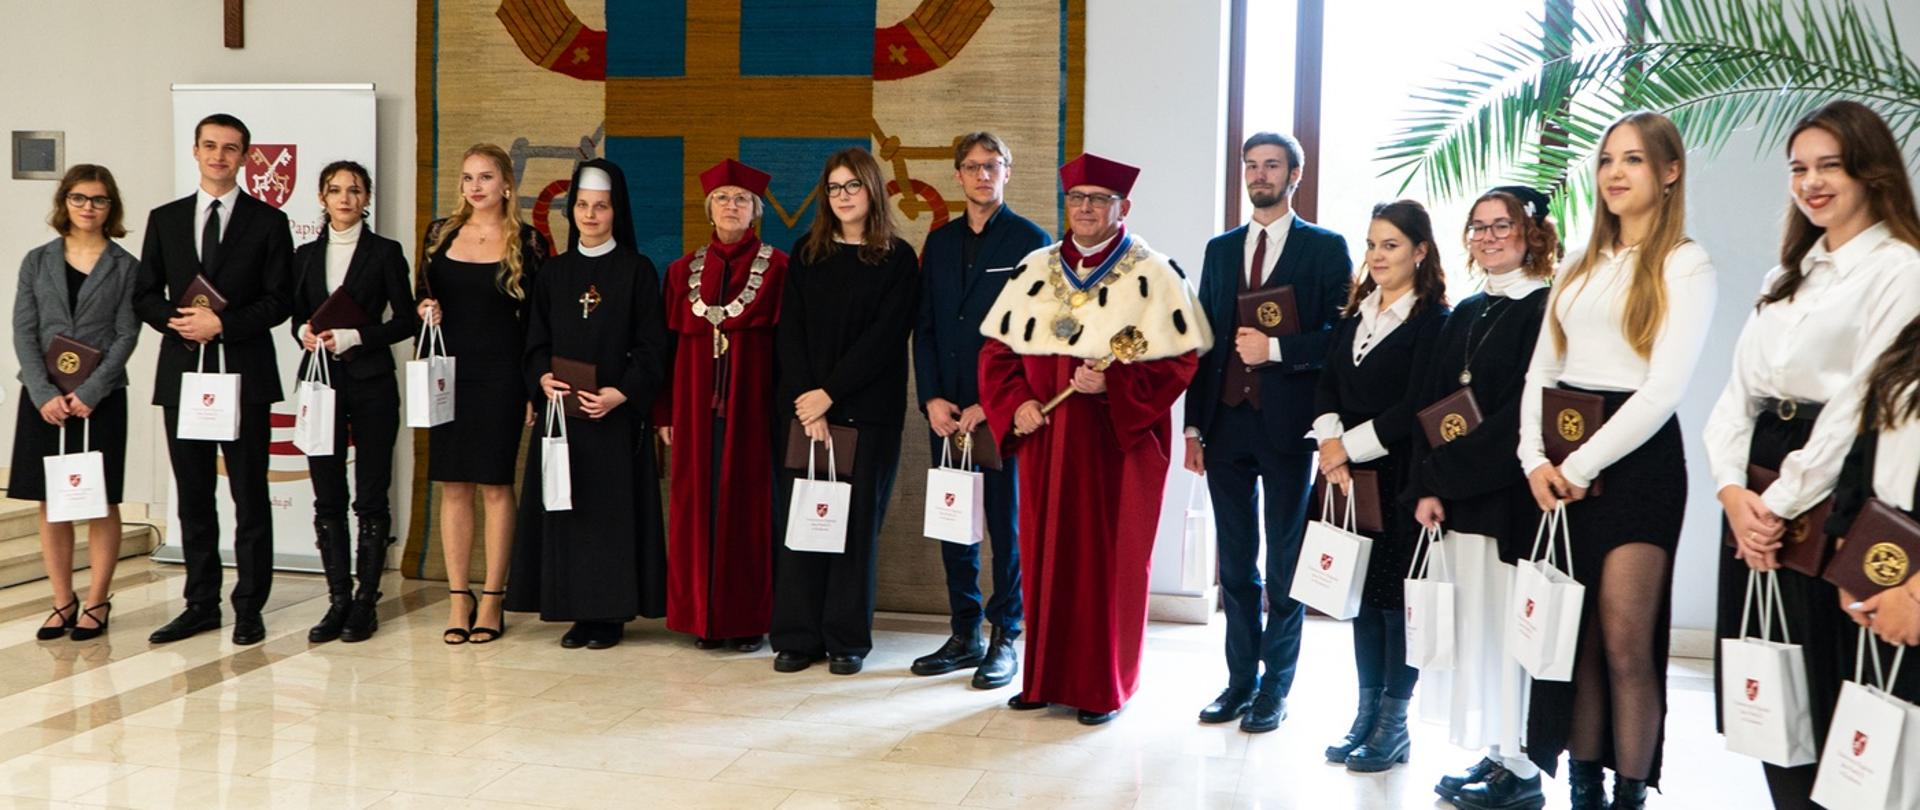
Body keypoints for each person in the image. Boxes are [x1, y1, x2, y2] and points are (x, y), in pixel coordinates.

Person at [1703, 100, 1920, 809]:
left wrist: (1778, 504)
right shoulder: (1783, 277)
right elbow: (1736, 397)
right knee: (1767, 686)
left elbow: (1858, 404)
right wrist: (1732, 493)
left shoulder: (1898, 269)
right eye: (1799, 168)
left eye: (1830, 165)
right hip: (1760, 486)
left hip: (1829, 487)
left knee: (1832, 691)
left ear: (1872, 171)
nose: (1811, 182)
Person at [1517, 111, 1716, 810]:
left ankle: (1631, 792)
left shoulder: (1684, 262)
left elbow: (1663, 389)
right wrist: (1533, 458)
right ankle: (1585, 789)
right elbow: (1542, 370)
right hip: (1561, 458)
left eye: (1632, 160)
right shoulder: (1576, 263)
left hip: (1638, 465)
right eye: (1606, 160)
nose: (1614, 174)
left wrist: (1579, 466)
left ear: (1669, 172)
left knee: (1626, 639)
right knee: (1578, 640)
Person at [977, 152, 1212, 724]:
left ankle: (1103, 685)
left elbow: (1180, 360)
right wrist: (1016, 406)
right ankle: (1043, 678)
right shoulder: (1034, 267)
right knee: (1044, 554)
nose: (1085, 209)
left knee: (1108, 562)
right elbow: (996, 353)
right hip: (1047, 440)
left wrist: (1113, 381)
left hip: (1116, 445)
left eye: (1098, 200)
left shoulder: (1154, 273)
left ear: (1121, 207)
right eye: (1076, 199)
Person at [1185, 131, 1353, 733]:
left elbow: (1339, 340)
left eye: (1272, 165)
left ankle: (1275, 688)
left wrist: (1276, 349)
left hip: (1287, 428)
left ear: (1295, 174)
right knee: (1234, 565)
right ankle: (1238, 682)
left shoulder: (1325, 249)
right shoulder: (1221, 248)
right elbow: (1203, 341)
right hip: (1226, 423)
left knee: (1284, 564)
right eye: (1251, 165)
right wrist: (1194, 426)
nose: (1259, 174)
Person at [1407, 187, 1558, 810]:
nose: (1489, 237)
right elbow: (1431, 402)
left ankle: (1521, 767)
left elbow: (1526, 413)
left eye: (1502, 226)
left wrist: (1452, 472)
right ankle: (1496, 752)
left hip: (1508, 497)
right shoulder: (1467, 310)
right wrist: (1427, 486)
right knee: (1475, 629)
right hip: (1458, 495)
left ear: (1532, 235)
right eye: (1478, 227)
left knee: (1506, 627)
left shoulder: (1547, 309)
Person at [132, 113, 294, 646]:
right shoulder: (166, 218)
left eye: (230, 148)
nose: (219, 156)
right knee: (194, 496)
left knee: (249, 496)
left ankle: (249, 606)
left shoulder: (269, 222)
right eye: (210, 146)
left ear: (246, 157)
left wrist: (222, 324)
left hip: (243, 375)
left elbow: (280, 301)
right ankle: (200, 604)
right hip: (183, 374)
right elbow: (144, 294)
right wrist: (179, 323)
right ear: (196, 152)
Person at [771, 147, 920, 676]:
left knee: (852, 531)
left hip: (867, 414)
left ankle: (845, 639)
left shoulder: (897, 259)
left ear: (873, 191)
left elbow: (883, 340)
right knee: (803, 523)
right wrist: (808, 403)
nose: (842, 197)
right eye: (834, 188)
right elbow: (790, 334)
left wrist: (830, 394)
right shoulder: (807, 254)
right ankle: (796, 635)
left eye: (852, 186)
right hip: (805, 413)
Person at [1313, 199, 1450, 773]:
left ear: (1420, 251)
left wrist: (1349, 446)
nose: (1377, 256)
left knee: (1398, 607)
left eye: (1390, 245)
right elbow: (1325, 386)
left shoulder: (1434, 321)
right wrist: (1328, 443)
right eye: (1371, 244)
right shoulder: (1355, 314)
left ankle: (1394, 725)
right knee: (1362, 603)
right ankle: (1365, 716)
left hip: (1401, 479)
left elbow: (1415, 406)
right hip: (1348, 479)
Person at [909, 132, 1049, 688]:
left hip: (1000, 414)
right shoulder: (938, 242)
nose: (982, 175)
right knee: (953, 521)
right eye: (972, 167)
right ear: (958, 175)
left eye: (992, 166)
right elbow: (925, 327)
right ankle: (963, 631)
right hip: (946, 412)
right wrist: (931, 398)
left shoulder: (1031, 241)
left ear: (1007, 172)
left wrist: (995, 404)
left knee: (1005, 527)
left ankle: (1005, 634)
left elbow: (1035, 335)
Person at [514, 158, 670, 649]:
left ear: (615, 212)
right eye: (582, 205)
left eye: (600, 207)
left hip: (612, 416)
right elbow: (533, 339)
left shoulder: (637, 270)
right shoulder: (554, 272)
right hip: (563, 417)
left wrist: (621, 393)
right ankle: (574, 610)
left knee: (608, 515)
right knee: (567, 511)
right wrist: (540, 377)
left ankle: (609, 615)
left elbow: (653, 346)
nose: (590, 215)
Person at [415, 143, 549, 644]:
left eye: (486, 177)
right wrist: (425, 307)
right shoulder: (439, 234)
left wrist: (534, 384)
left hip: (503, 377)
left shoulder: (530, 242)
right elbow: (419, 293)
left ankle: (493, 597)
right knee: (453, 485)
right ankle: (457, 596)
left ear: (506, 184)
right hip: (447, 374)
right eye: (468, 177)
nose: (475, 187)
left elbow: (541, 319)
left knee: (495, 485)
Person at [658, 158, 789, 653]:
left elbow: (790, 349)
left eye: (740, 199)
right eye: (722, 199)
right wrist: (664, 414)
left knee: (748, 509)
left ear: (755, 211)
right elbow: (666, 351)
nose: (730, 207)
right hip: (693, 410)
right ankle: (700, 618)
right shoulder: (679, 272)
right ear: (708, 209)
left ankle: (747, 619)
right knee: (696, 507)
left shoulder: (779, 269)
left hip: (753, 411)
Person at [288, 159, 420, 644]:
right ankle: (337, 599)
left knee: (370, 493)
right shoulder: (303, 255)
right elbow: (296, 317)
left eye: (354, 190)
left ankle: (366, 601)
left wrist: (353, 337)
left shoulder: (385, 252)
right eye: (335, 190)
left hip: (371, 381)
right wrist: (302, 331)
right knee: (327, 495)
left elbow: (405, 321)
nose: (345, 198)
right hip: (320, 383)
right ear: (321, 199)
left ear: (366, 199)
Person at [11, 164, 140, 642]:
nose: (89, 207)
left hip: (99, 398)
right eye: (80, 198)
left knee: (101, 500)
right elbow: (24, 329)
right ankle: (62, 601)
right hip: (44, 399)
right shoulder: (37, 260)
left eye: (99, 200)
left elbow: (128, 333)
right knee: (53, 501)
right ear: (64, 202)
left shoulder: (126, 266)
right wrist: (44, 393)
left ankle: (98, 600)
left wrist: (91, 391)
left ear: (112, 207)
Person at [1832, 316, 1920, 710]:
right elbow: (1861, 456)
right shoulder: (1911, 339)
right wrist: (1850, 566)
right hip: (1886, 567)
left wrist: (1916, 596)